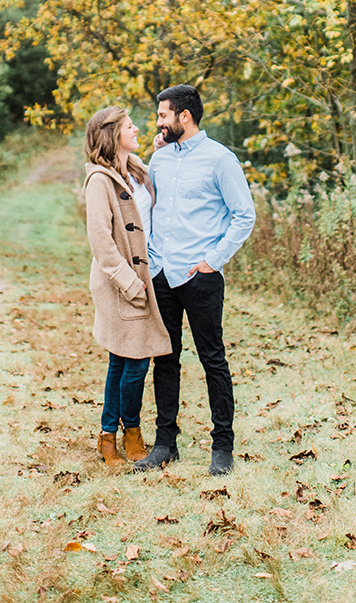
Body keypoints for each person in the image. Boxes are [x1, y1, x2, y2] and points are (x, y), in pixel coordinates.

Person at [135, 84, 256, 477]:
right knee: (165, 361)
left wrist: (213, 260)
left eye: (163, 115)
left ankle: (223, 447)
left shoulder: (221, 159)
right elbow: (148, 204)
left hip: (200, 277)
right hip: (162, 274)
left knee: (212, 360)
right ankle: (165, 444)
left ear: (184, 116)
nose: (158, 122)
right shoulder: (161, 158)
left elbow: (244, 215)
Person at [84, 106, 172, 468]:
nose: (137, 129)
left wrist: (161, 153)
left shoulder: (136, 168)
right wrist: (130, 283)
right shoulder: (99, 181)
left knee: (122, 360)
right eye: (129, 126)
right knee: (134, 362)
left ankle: (110, 434)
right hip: (120, 282)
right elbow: (101, 244)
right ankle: (126, 434)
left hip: (143, 276)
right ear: (111, 135)